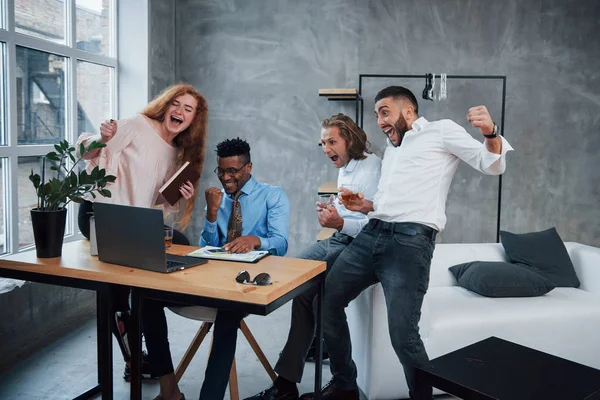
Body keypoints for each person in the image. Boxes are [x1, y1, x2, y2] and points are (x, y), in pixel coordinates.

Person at [303, 86, 514, 400]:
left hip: (409, 245)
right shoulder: (393, 149)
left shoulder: (441, 131)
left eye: (384, 111)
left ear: (408, 110)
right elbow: (393, 203)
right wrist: (367, 206)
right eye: (377, 114)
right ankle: (345, 385)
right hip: (372, 234)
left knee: (403, 335)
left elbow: (492, 165)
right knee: (327, 301)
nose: (379, 121)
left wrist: (491, 132)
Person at [75, 83, 208, 381]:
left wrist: (176, 195)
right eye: (176, 103)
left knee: (182, 245)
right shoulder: (137, 125)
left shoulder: (176, 152)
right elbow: (84, 152)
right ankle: (135, 353)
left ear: (193, 120)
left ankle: (139, 341)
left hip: (134, 219)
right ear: (165, 104)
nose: (180, 111)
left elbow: (153, 199)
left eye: (188, 109)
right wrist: (101, 138)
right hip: (101, 214)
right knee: (130, 284)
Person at [142, 138, 290, 400]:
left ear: (248, 167)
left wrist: (255, 240)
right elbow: (205, 248)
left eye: (232, 171)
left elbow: (280, 243)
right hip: (210, 279)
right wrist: (211, 215)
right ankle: (169, 390)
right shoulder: (217, 198)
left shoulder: (272, 195)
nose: (225, 177)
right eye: (221, 171)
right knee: (147, 299)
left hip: (245, 283)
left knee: (227, 315)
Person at [246, 114, 381, 400]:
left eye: (332, 141)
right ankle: (288, 381)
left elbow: (372, 225)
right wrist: (332, 210)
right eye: (322, 143)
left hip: (356, 243)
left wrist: (340, 222)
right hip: (339, 237)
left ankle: (318, 381)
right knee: (297, 279)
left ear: (350, 139)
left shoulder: (372, 167)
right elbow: (348, 209)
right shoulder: (347, 166)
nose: (326, 149)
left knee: (318, 299)